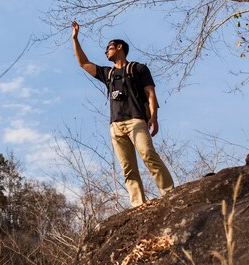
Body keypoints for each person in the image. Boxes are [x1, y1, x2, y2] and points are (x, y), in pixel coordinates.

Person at [71, 21, 174, 207]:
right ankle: (138, 204)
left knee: (148, 155)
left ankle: (169, 193)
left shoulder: (138, 68)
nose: (105, 52)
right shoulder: (107, 73)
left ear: (120, 48)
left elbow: (150, 92)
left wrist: (154, 118)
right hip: (115, 125)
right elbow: (83, 63)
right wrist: (75, 39)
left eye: (108, 48)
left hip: (136, 120)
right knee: (128, 168)